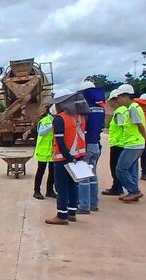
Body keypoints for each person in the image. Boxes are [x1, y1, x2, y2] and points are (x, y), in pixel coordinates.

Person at [45, 93, 87, 225]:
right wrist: (77, 157)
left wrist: (68, 158)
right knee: (73, 185)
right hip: (78, 156)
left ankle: (61, 215)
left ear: (62, 104)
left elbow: (60, 141)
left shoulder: (59, 119)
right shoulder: (80, 117)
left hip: (63, 158)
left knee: (61, 187)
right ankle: (71, 212)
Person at [114, 84, 146, 202]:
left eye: (119, 97)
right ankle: (133, 192)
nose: (117, 100)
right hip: (135, 143)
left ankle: (134, 191)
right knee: (131, 169)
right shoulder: (134, 107)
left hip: (133, 144)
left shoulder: (133, 108)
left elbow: (140, 126)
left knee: (120, 169)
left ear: (125, 96)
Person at [77, 81, 106, 213]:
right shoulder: (101, 108)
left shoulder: (85, 108)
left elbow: (82, 128)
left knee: (83, 177)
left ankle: (84, 205)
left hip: (86, 145)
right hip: (96, 145)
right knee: (93, 175)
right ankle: (94, 203)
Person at [102, 89, 125, 196]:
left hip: (119, 144)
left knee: (115, 167)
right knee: (116, 167)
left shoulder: (119, 112)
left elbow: (123, 128)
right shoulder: (121, 111)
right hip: (119, 143)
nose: (109, 103)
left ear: (115, 100)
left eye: (110, 101)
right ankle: (117, 186)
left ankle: (117, 187)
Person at [33, 104, 56, 200]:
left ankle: (50, 191)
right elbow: (41, 132)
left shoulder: (57, 120)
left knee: (52, 172)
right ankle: (36, 191)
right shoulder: (45, 121)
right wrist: (52, 125)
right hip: (43, 151)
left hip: (52, 151)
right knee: (40, 172)